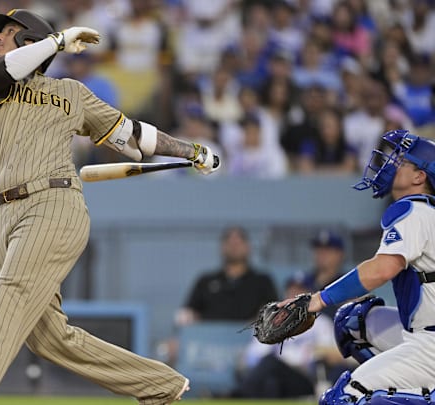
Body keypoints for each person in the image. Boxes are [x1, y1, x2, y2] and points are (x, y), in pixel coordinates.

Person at [0, 9, 220, 405]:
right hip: (4, 215)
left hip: (53, 205)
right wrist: (57, 42)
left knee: (3, 309)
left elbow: (132, 135)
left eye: (7, 34)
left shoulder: (71, 93)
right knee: (49, 338)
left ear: (29, 42)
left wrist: (190, 150)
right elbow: (3, 72)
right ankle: (159, 385)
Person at [287, 129, 435, 404]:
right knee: (353, 322)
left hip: (431, 344)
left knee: (343, 398)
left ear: (419, 176)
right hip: (422, 332)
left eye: (402, 161)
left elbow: (382, 269)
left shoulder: (414, 211)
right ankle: (405, 387)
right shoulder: (427, 212)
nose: (391, 164)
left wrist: (317, 300)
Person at [234, 273, 342, 399]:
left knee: (270, 364)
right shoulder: (271, 321)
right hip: (274, 373)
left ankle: (236, 395)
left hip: (304, 377)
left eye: (300, 291)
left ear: (311, 294)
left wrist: (313, 353)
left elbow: (332, 354)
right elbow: (253, 355)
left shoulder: (321, 322)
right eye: (292, 290)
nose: (295, 295)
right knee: (270, 377)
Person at [176, 226, 278, 326]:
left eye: (239, 242)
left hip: (251, 340)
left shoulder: (262, 281)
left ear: (248, 246)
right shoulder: (205, 282)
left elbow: (274, 312)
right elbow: (187, 314)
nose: (234, 247)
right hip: (210, 340)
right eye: (230, 242)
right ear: (222, 247)